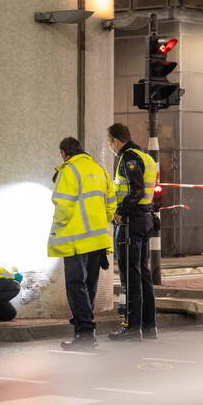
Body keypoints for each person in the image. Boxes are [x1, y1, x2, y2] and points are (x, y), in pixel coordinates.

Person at [48, 136, 116, 349]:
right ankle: (85, 330)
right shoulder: (99, 170)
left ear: (63, 152)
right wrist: (102, 221)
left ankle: (85, 335)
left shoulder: (69, 171)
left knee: (76, 286)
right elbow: (111, 202)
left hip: (76, 240)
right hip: (97, 240)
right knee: (89, 287)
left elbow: (63, 206)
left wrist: (58, 229)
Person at [107, 123, 158, 341]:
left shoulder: (128, 158)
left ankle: (131, 328)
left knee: (130, 276)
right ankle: (149, 327)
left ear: (116, 141)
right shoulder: (145, 156)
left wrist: (120, 212)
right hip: (145, 219)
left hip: (131, 221)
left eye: (110, 142)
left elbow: (135, 190)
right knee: (143, 275)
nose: (110, 147)